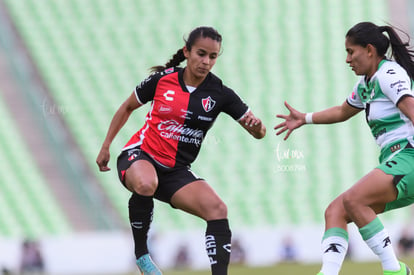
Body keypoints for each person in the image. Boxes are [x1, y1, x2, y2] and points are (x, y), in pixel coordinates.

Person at [96, 26, 266, 275]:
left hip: (175, 171)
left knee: (218, 210)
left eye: (213, 56)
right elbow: (127, 107)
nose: (206, 61)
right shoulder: (161, 80)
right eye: (201, 53)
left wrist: (258, 128)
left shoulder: (220, 94)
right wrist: (105, 146)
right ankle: (143, 257)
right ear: (187, 52)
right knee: (145, 183)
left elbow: (258, 131)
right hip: (140, 156)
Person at [274, 21, 414, 275]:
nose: (347, 59)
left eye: (351, 51)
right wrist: (304, 118)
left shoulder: (388, 75)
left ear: (369, 50)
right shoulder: (366, 84)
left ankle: (395, 270)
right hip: (396, 162)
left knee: (353, 200)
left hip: (409, 157)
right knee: (335, 210)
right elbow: (342, 111)